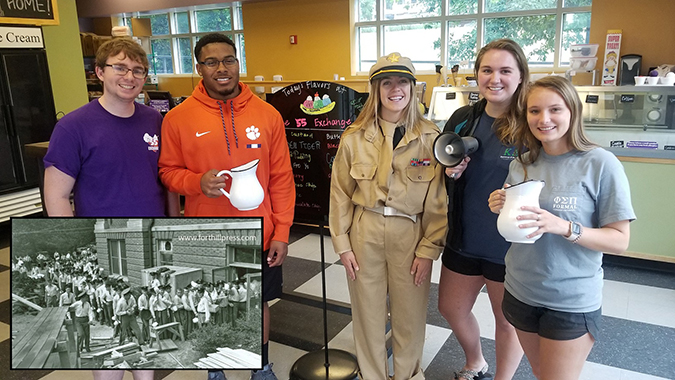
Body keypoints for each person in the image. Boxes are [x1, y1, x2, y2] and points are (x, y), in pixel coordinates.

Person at [158, 32, 295, 380]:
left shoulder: (268, 115)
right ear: (199, 67)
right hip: (208, 233)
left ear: (238, 63)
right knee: (212, 306)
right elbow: (167, 172)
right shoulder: (178, 118)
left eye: (229, 60)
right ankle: (214, 370)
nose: (222, 68)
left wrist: (282, 232)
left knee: (257, 304)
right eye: (212, 62)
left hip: (261, 233)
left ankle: (260, 366)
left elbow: (281, 178)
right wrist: (195, 182)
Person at [488, 76, 635, 380]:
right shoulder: (522, 162)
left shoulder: (600, 164)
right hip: (520, 290)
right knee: (542, 373)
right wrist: (501, 204)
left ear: (572, 111)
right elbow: (518, 220)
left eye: (555, 109)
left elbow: (620, 241)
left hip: (570, 300)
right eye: (534, 111)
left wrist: (564, 227)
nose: (544, 119)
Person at [43, 37, 171, 380]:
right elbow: (56, 197)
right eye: (120, 67)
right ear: (99, 71)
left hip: (148, 242)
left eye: (138, 70)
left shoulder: (155, 121)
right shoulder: (73, 126)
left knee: (145, 362)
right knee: (110, 361)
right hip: (107, 248)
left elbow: (168, 178)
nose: (129, 76)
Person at [329, 52, 447, 380]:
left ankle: (408, 375)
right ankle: (373, 376)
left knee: (409, 315)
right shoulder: (354, 137)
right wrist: (342, 245)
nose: (395, 89)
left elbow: (438, 202)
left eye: (403, 82)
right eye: (387, 82)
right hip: (364, 231)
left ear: (413, 87)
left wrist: (428, 250)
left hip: (409, 234)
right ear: (376, 89)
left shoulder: (430, 137)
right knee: (367, 314)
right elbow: (339, 194)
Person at [437, 38, 528, 380]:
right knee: (450, 308)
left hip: (508, 246)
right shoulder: (464, 118)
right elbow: (442, 165)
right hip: (464, 235)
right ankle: (475, 361)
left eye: (505, 71)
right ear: (476, 75)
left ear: (520, 76)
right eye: (487, 70)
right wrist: (450, 172)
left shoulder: (531, 122)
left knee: (507, 320)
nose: (495, 78)